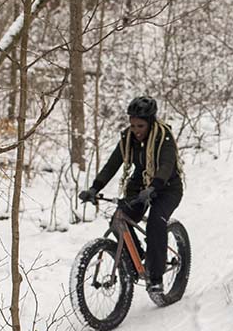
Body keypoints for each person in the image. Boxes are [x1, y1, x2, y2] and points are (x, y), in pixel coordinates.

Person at [78, 96, 184, 293]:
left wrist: (154, 188)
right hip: (139, 185)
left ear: (150, 123)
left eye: (140, 126)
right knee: (118, 222)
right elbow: (112, 164)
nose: (136, 130)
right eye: (133, 125)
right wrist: (95, 188)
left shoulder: (163, 137)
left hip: (167, 187)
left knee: (155, 224)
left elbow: (167, 165)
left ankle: (156, 276)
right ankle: (137, 258)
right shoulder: (128, 138)